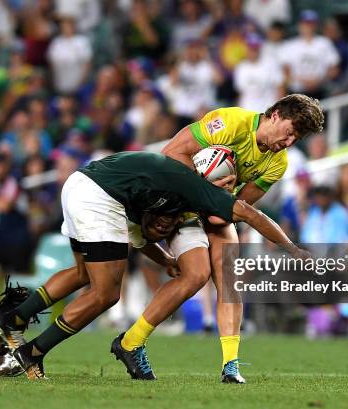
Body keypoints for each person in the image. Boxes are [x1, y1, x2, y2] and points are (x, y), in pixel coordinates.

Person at [0, 151, 310, 381]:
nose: (162, 229)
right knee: (105, 294)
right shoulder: (194, 190)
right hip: (99, 198)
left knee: (82, 274)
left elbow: (145, 239)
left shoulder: (150, 199)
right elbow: (252, 214)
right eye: (161, 226)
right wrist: (293, 249)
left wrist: (167, 259)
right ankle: (31, 353)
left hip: (80, 183)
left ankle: (12, 317)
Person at [118, 94, 323, 384]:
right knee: (196, 274)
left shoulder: (278, 163)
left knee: (229, 277)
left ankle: (231, 365)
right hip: (179, 203)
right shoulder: (230, 123)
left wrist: (219, 197)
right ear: (275, 114)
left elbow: (235, 208)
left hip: (214, 209)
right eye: (290, 132)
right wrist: (205, 184)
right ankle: (132, 341)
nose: (289, 142)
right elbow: (171, 153)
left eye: (297, 138)